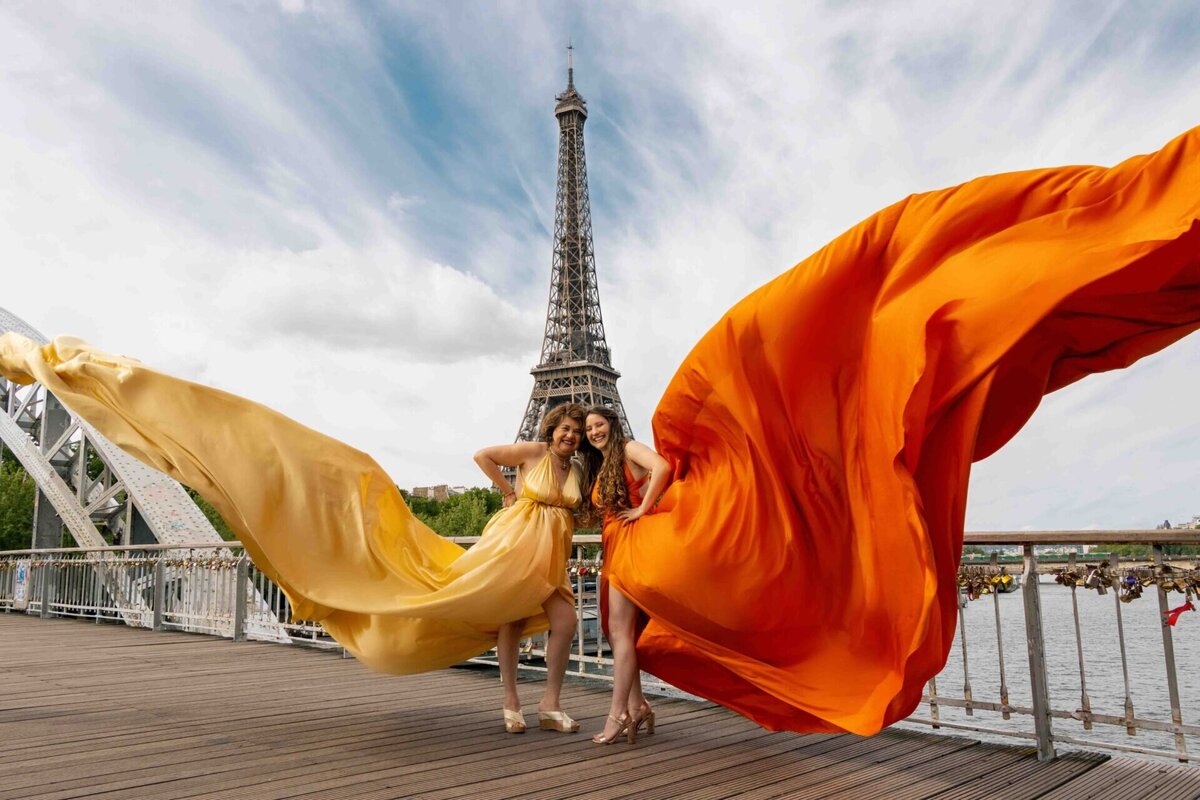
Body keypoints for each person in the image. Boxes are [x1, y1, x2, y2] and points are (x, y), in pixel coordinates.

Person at [3, 125, 1198, 737]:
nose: (574, 420)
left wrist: (636, 483)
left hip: (593, 555)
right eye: (569, 418)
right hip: (554, 547)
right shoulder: (557, 458)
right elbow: (557, 462)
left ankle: (597, 710)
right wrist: (528, 478)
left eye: (578, 417)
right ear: (564, 420)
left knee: (599, 627)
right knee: (579, 622)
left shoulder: (607, 457)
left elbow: (666, 470)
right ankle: (560, 706)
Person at [471, 402, 593, 734]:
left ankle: (550, 704)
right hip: (521, 545)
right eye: (565, 428)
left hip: (553, 556)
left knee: (565, 622)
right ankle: (511, 701)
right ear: (552, 428)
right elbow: (483, 455)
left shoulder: (578, 469)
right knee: (513, 619)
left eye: (578, 432)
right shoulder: (533, 451)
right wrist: (509, 491)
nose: (571, 435)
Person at [582, 405, 670, 744]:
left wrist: (644, 508)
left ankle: (617, 713)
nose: (593, 432)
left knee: (619, 631)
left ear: (612, 423)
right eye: (589, 428)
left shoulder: (629, 448)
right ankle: (636, 706)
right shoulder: (605, 462)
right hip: (614, 547)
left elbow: (662, 466)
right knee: (619, 631)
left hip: (628, 547)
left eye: (599, 424)